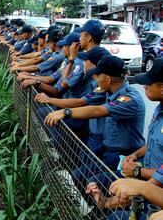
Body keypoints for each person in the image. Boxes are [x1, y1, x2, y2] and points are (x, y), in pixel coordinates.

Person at [45, 56, 146, 189]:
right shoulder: (109, 91)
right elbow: (85, 102)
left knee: (85, 180)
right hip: (107, 148)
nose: (96, 80)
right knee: (82, 175)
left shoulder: (130, 98)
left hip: (124, 155)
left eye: (98, 76)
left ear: (108, 79)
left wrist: (65, 112)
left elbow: (98, 110)